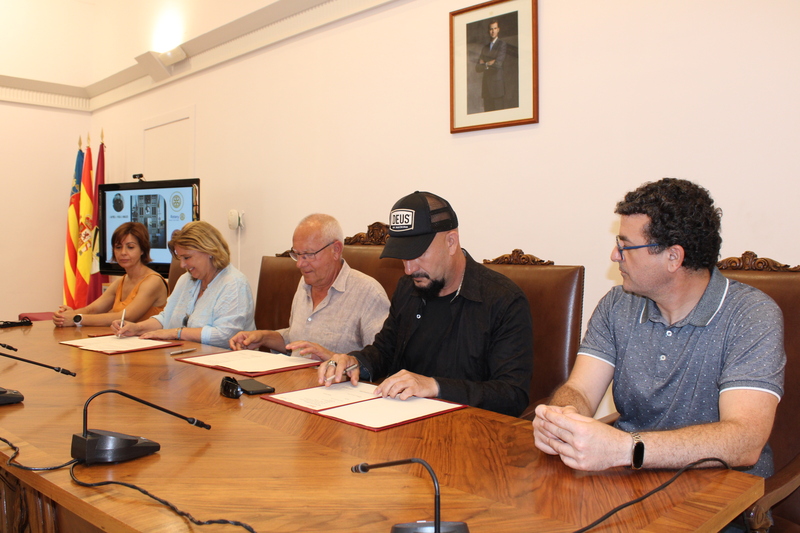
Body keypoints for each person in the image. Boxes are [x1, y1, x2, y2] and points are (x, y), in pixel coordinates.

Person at [533, 178, 785, 479]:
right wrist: (563, 419)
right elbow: (579, 390)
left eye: (625, 246)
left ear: (673, 257)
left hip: (721, 496)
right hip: (628, 482)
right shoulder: (617, 304)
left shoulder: (751, 315)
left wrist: (626, 449)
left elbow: (744, 441)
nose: (615, 255)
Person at [305, 191, 533, 417]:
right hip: (398, 423)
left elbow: (511, 395)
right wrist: (355, 362)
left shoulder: (503, 301)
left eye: (418, 254)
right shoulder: (408, 288)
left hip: (469, 431)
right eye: (403, 257)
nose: (409, 269)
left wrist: (435, 387)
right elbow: (384, 350)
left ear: (451, 242)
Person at [229, 214, 389, 356]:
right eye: (297, 254)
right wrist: (263, 337)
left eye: (308, 255)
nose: (299, 264)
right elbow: (296, 340)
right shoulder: (305, 282)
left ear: (336, 250)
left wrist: (331, 358)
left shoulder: (368, 293)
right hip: (294, 381)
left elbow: (381, 359)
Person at [112, 220, 255, 349]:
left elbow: (224, 335)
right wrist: (137, 328)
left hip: (225, 365)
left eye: (187, 257)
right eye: (180, 258)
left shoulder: (234, 284)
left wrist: (177, 333)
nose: (182, 264)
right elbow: (166, 317)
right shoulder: (186, 279)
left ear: (210, 251)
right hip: (187, 359)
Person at [53, 222, 167, 327]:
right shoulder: (120, 282)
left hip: (149, 344)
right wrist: (66, 316)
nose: (123, 253)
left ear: (143, 250)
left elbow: (126, 317)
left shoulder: (153, 281)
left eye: (130, 247)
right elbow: (92, 309)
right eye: (118, 247)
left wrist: (76, 319)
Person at [475, 19, 507, 112]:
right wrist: (488, 63)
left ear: (498, 29)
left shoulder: (502, 45)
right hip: (486, 89)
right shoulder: (485, 48)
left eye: (495, 28)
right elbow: (477, 68)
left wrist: (484, 64)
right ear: (488, 31)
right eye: (491, 29)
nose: (493, 31)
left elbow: (498, 64)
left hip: (497, 89)